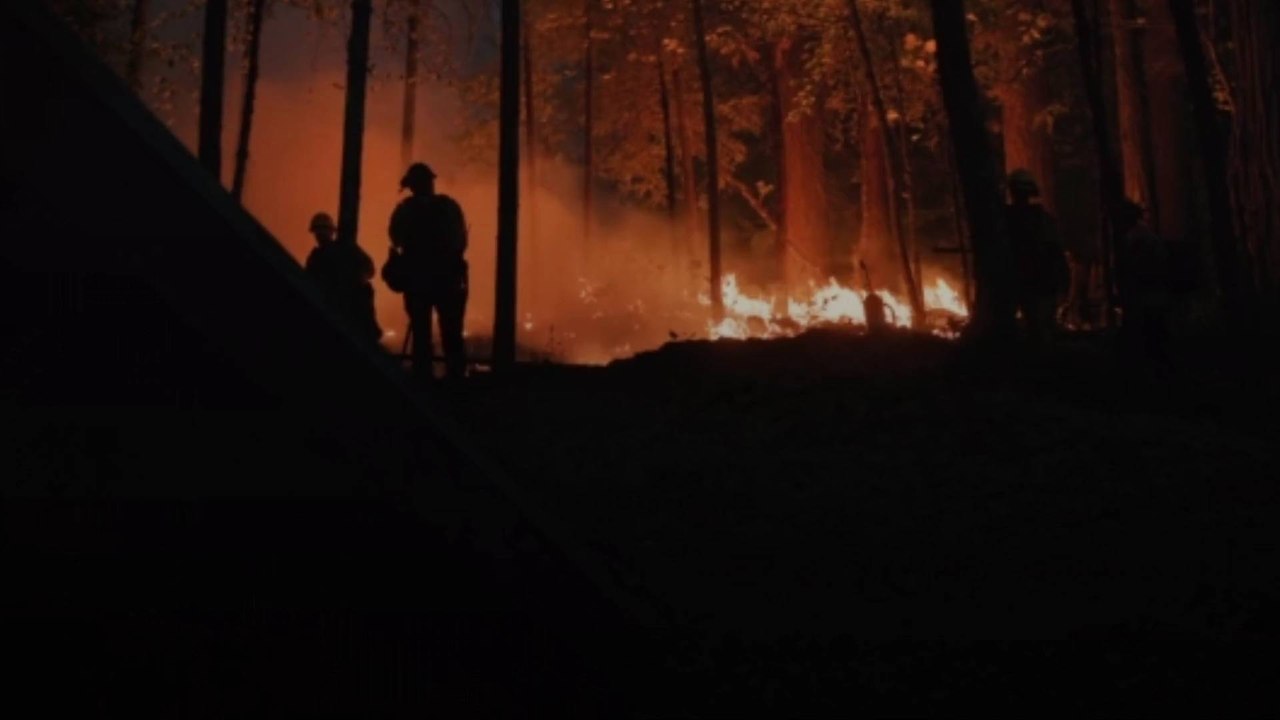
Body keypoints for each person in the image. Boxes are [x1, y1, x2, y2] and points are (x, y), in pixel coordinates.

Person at [386, 163, 468, 382]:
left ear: (412, 186)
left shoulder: (405, 210)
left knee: (421, 334)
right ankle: (456, 378)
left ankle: (423, 378)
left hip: (418, 281)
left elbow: (395, 238)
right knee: (451, 333)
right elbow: (461, 241)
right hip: (446, 280)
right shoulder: (449, 207)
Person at [1005, 169, 1070, 344]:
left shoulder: (1008, 220)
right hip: (1037, 283)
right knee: (1040, 330)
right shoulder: (1043, 219)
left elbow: (1055, 252)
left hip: (1033, 282)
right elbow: (1057, 253)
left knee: (1039, 331)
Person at [304, 211, 382, 343]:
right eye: (318, 231)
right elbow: (308, 282)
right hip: (330, 306)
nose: (320, 235)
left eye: (323, 230)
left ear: (331, 232)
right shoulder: (315, 258)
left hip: (352, 306)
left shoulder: (346, 248)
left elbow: (369, 268)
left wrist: (360, 278)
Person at [1115, 199, 1172, 362]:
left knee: (1151, 338)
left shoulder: (1137, 239)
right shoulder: (1143, 236)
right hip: (1151, 296)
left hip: (1146, 297)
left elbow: (1141, 268)